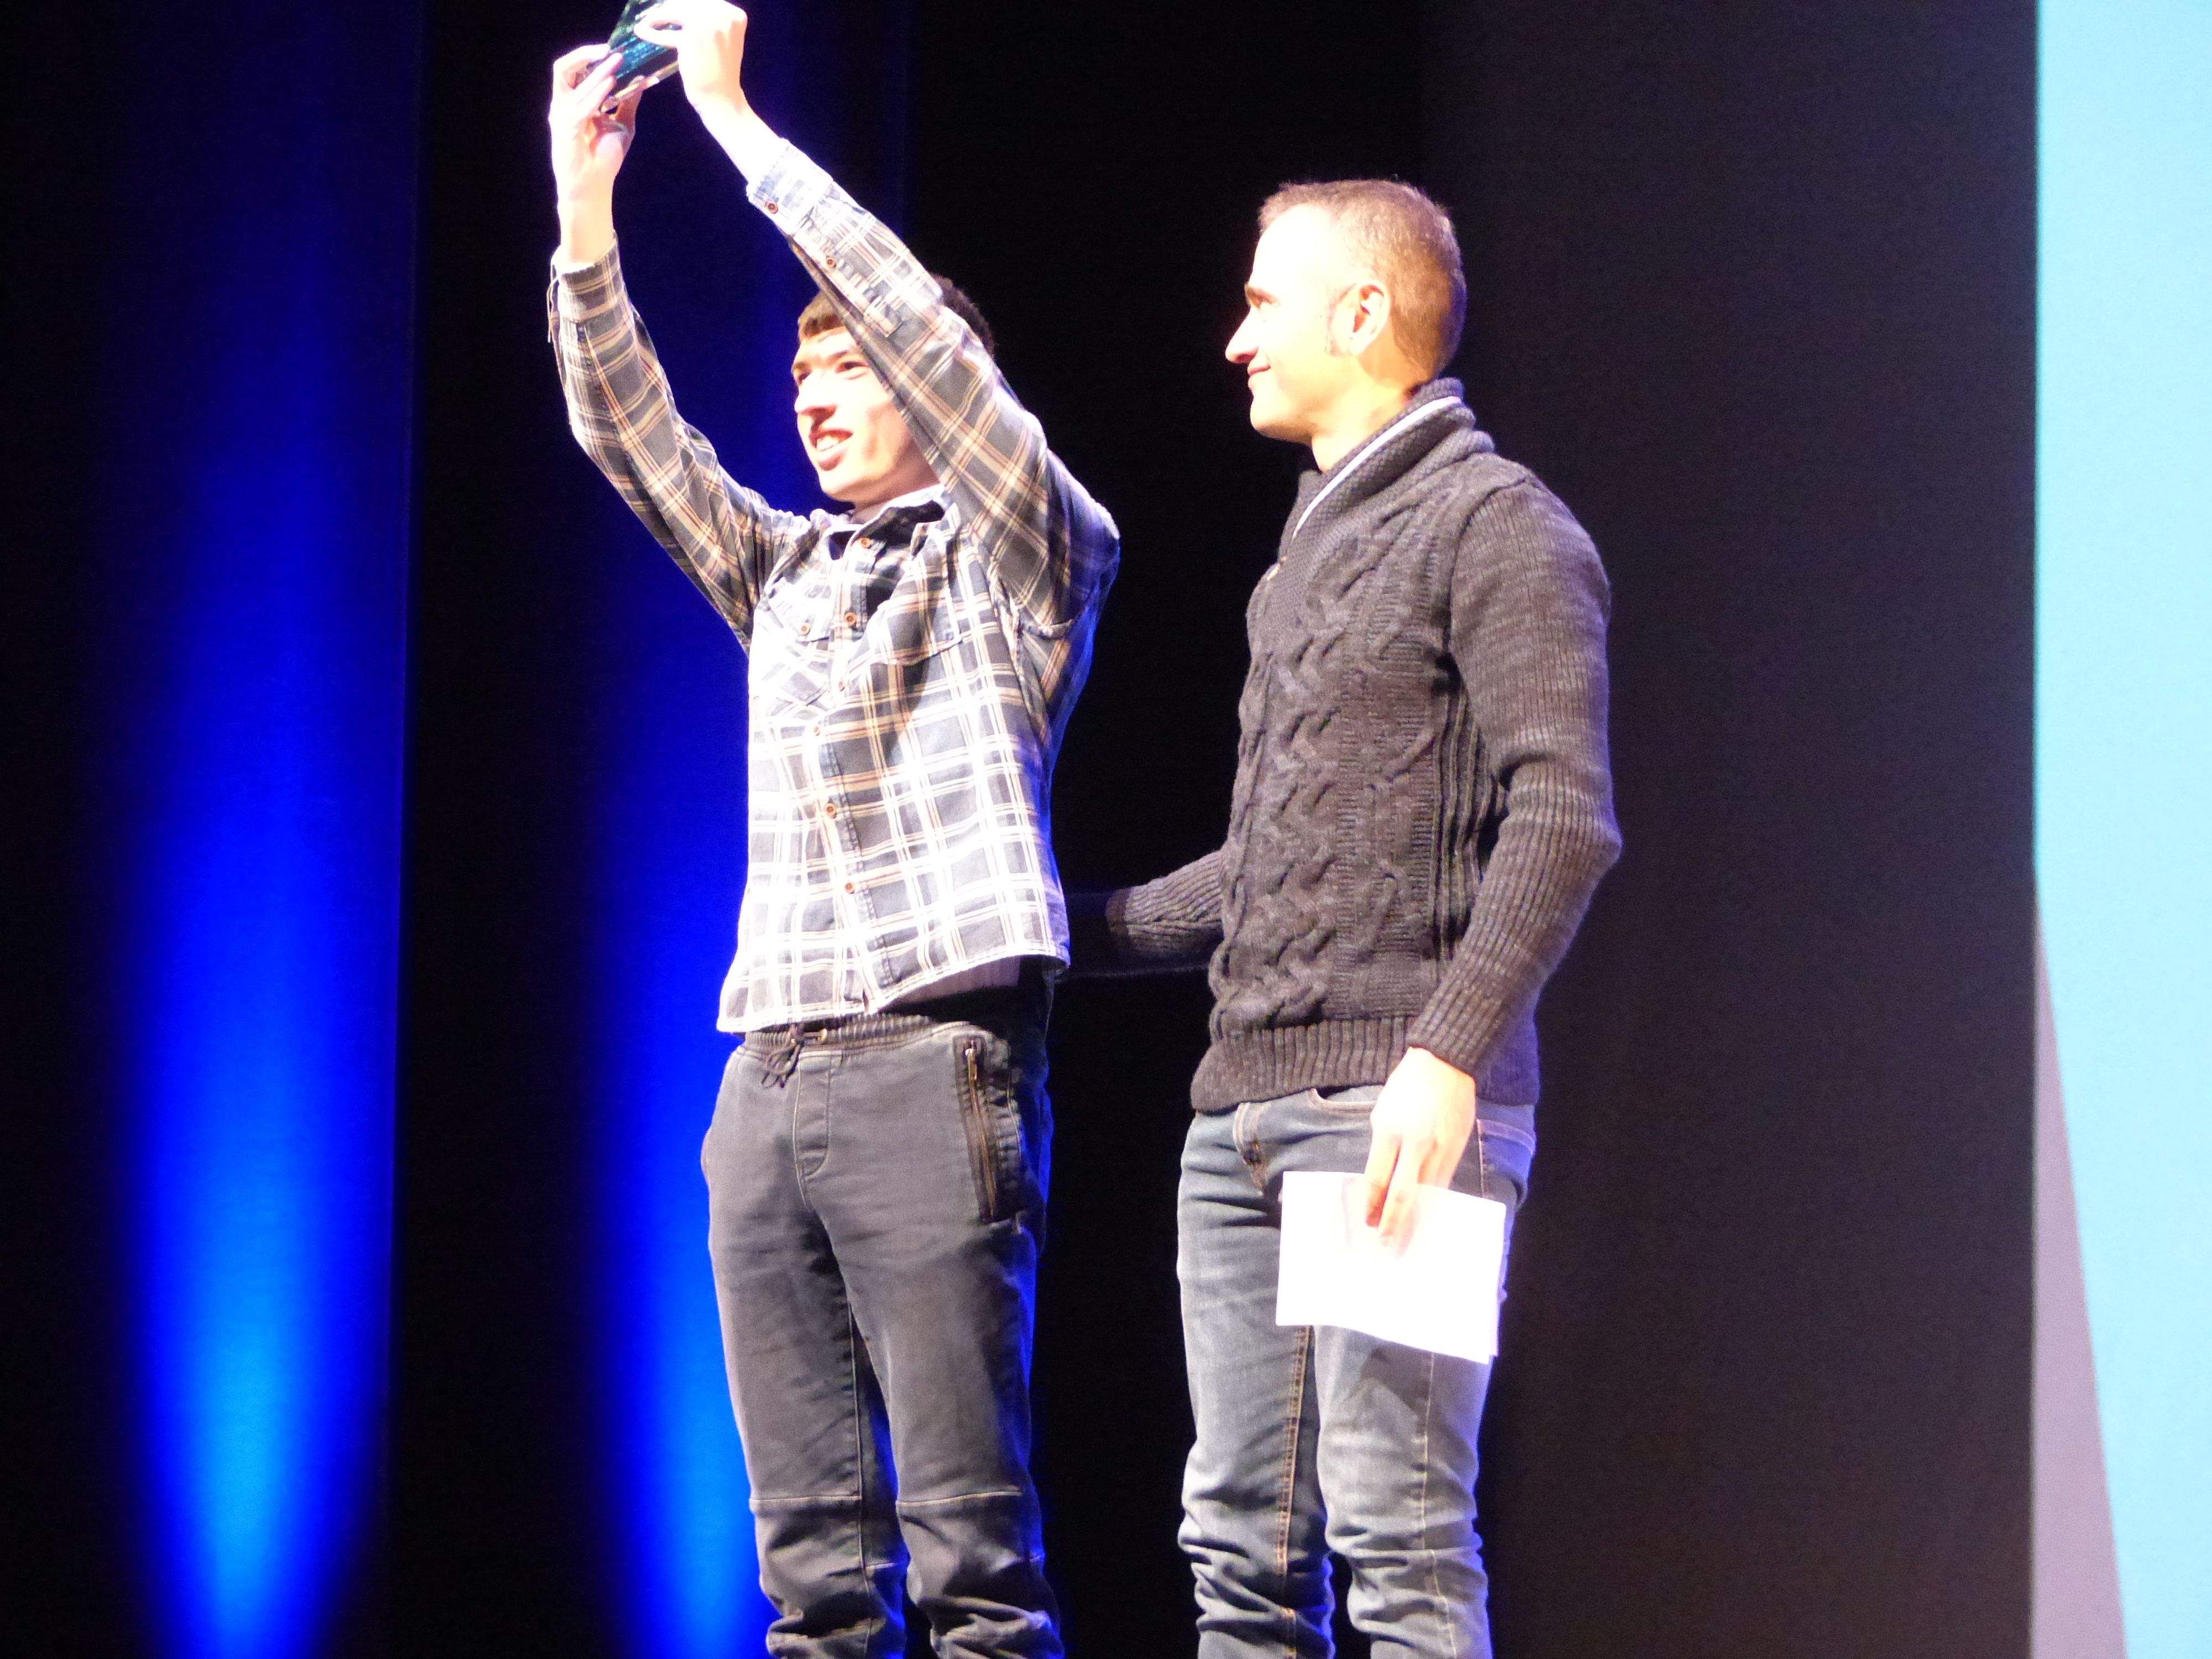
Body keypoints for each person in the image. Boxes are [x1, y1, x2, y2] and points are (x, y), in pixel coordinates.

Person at [546, 5, 1117, 1653]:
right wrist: (588, 208)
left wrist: (731, 125)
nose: (817, 394)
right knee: (808, 1580)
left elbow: (922, 334)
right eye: (801, 371)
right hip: (766, 1073)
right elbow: (629, 435)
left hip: (930, 1061)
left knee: (973, 1569)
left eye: (849, 363)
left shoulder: (1026, 558)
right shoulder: (789, 575)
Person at [1072, 180, 1619, 1657]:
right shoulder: (1303, 559)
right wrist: (1046, 931)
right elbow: (1268, 876)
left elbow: (1564, 818)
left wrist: (1445, 1053)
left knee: (1401, 1537)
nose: (1238, 337)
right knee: (1237, 1555)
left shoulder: (1499, 527)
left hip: (1393, 1111)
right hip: (1235, 1120)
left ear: (1362, 312)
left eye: (1264, 301)